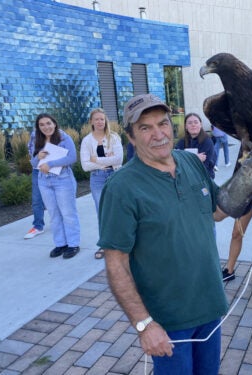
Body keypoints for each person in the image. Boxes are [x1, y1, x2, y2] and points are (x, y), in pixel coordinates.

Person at [98, 94, 228, 374]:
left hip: (210, 303)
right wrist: (144, 324)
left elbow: (218, 211)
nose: (158, 134)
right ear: (131, 137)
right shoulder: (121, 187)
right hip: (168, 319)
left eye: (163, 124)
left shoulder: (190, 162)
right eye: (145, 128)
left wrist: (249, 176)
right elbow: (116, 263)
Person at [30, 113, 81, 259]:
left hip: (62, 179)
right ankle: (60, 243)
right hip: (44, 180)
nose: (46, 127)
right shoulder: (37, 139)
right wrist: (37, 157)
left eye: (48, 123)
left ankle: (73, 244)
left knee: (68, 213)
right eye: (42, 125)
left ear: (54, 123)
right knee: (53, 213)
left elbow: (72, 157)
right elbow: (33, 164)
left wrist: (50, 163)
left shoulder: (64, 138)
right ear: (38, 127)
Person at [80, 108, 123, 259]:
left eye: (102, 119)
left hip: (115, 176)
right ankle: (105, 245)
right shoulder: (87, 140)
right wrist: (104, 162)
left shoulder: (114, 137)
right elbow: (85, 165)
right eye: (96, 119)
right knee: (102, 212)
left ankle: (121, 243)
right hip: (97, 178)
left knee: (119, 210)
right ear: (91, 121)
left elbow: (118, 160)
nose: (99, 122)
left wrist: (96, 160)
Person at [175, 113, 216, 179]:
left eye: (196, 122)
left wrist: (184, 159)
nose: (193, 125)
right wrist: (195, 158)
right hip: (186, 180)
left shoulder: (207, 142)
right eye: (190, 123)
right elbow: (175, 161)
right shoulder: (181, 142)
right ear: (186, 126)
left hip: (204, 179)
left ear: (200, 125)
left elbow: (202, 167)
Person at [24, 129, 45, 239]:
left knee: (58, 200)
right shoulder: (34, 134)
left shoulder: (58, 134)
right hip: (37, 171)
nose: (45, 126)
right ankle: (38, 226)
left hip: (53, 170)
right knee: (37, 200)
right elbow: (31, 149)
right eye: (41, 124)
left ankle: (61, 222)